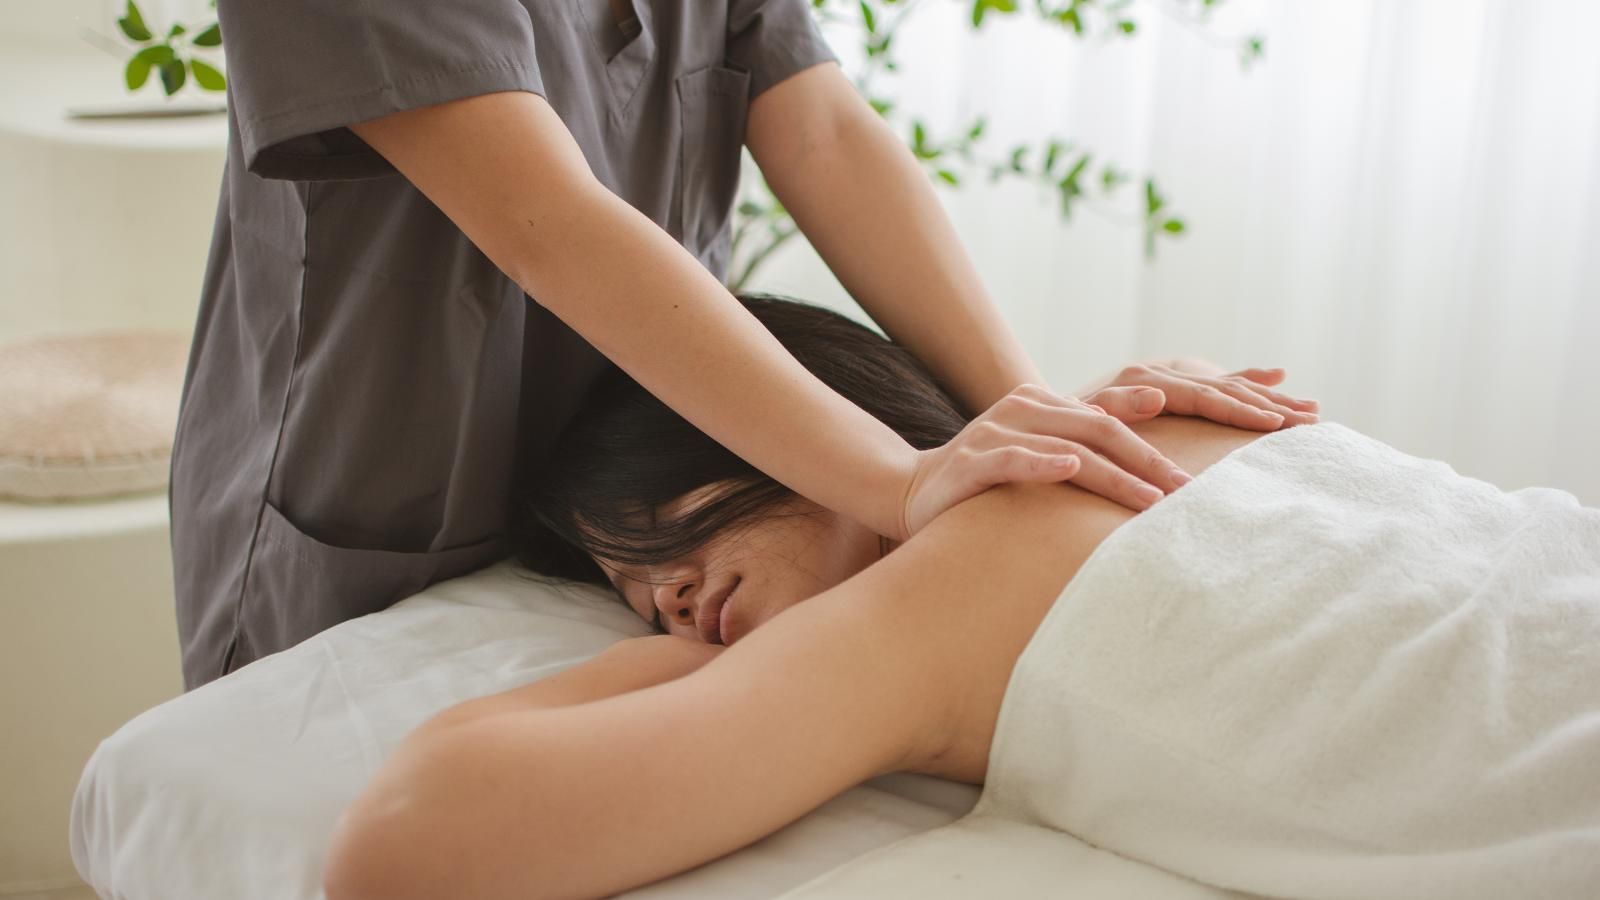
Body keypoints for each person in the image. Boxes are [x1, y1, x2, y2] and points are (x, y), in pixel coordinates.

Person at [171, 0, 1316, 689]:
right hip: (374, 492)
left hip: (637, 487)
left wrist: (1023, 426)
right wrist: (901, 478)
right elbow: (545, 221)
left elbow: (819, 130)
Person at [320, 294, 1600, 900]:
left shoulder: (919, 611)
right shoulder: (1172, 412)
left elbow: (406, 841)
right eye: (624, 595)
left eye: (655, 530)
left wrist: (695, 672)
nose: (662, 601)